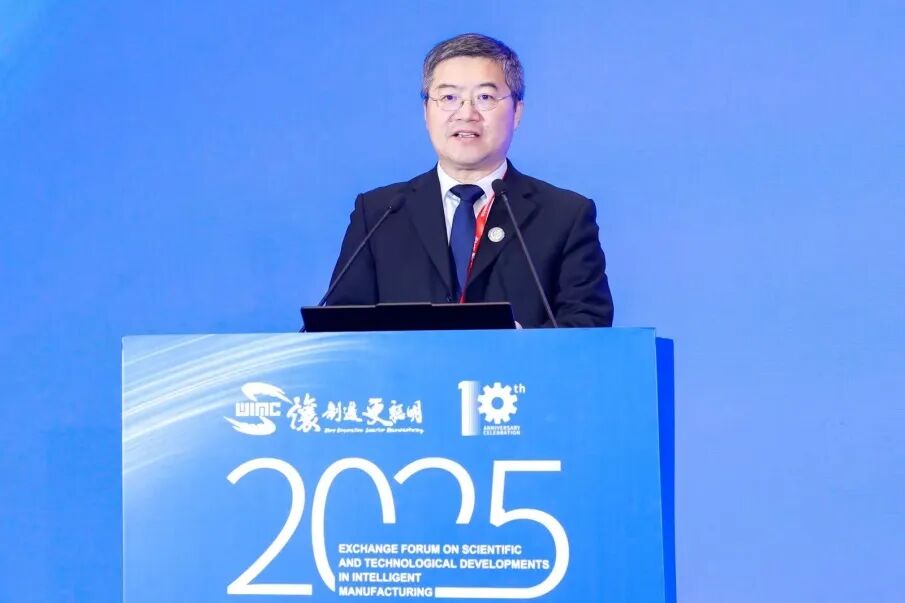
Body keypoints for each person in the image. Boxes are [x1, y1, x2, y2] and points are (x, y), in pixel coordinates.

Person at [325, 33, 613, 328]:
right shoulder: (379, 213)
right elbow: (339, 327)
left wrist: (524, 346)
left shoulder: (564, 215)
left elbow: (589, 324)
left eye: (485, 97)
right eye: (449, 98)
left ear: (517, 112)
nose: (466, 113)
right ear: (426, 112)